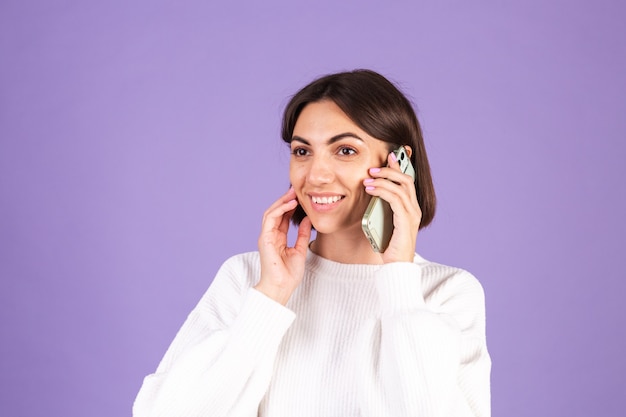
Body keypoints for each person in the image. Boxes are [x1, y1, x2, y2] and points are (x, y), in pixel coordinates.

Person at [132, 69, 491, 417]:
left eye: (345, 151)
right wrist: (270, 298)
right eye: (302, 152)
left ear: (398, 165)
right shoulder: (247, 279)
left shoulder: (446, 293)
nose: (316, 175)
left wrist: (399, 277)